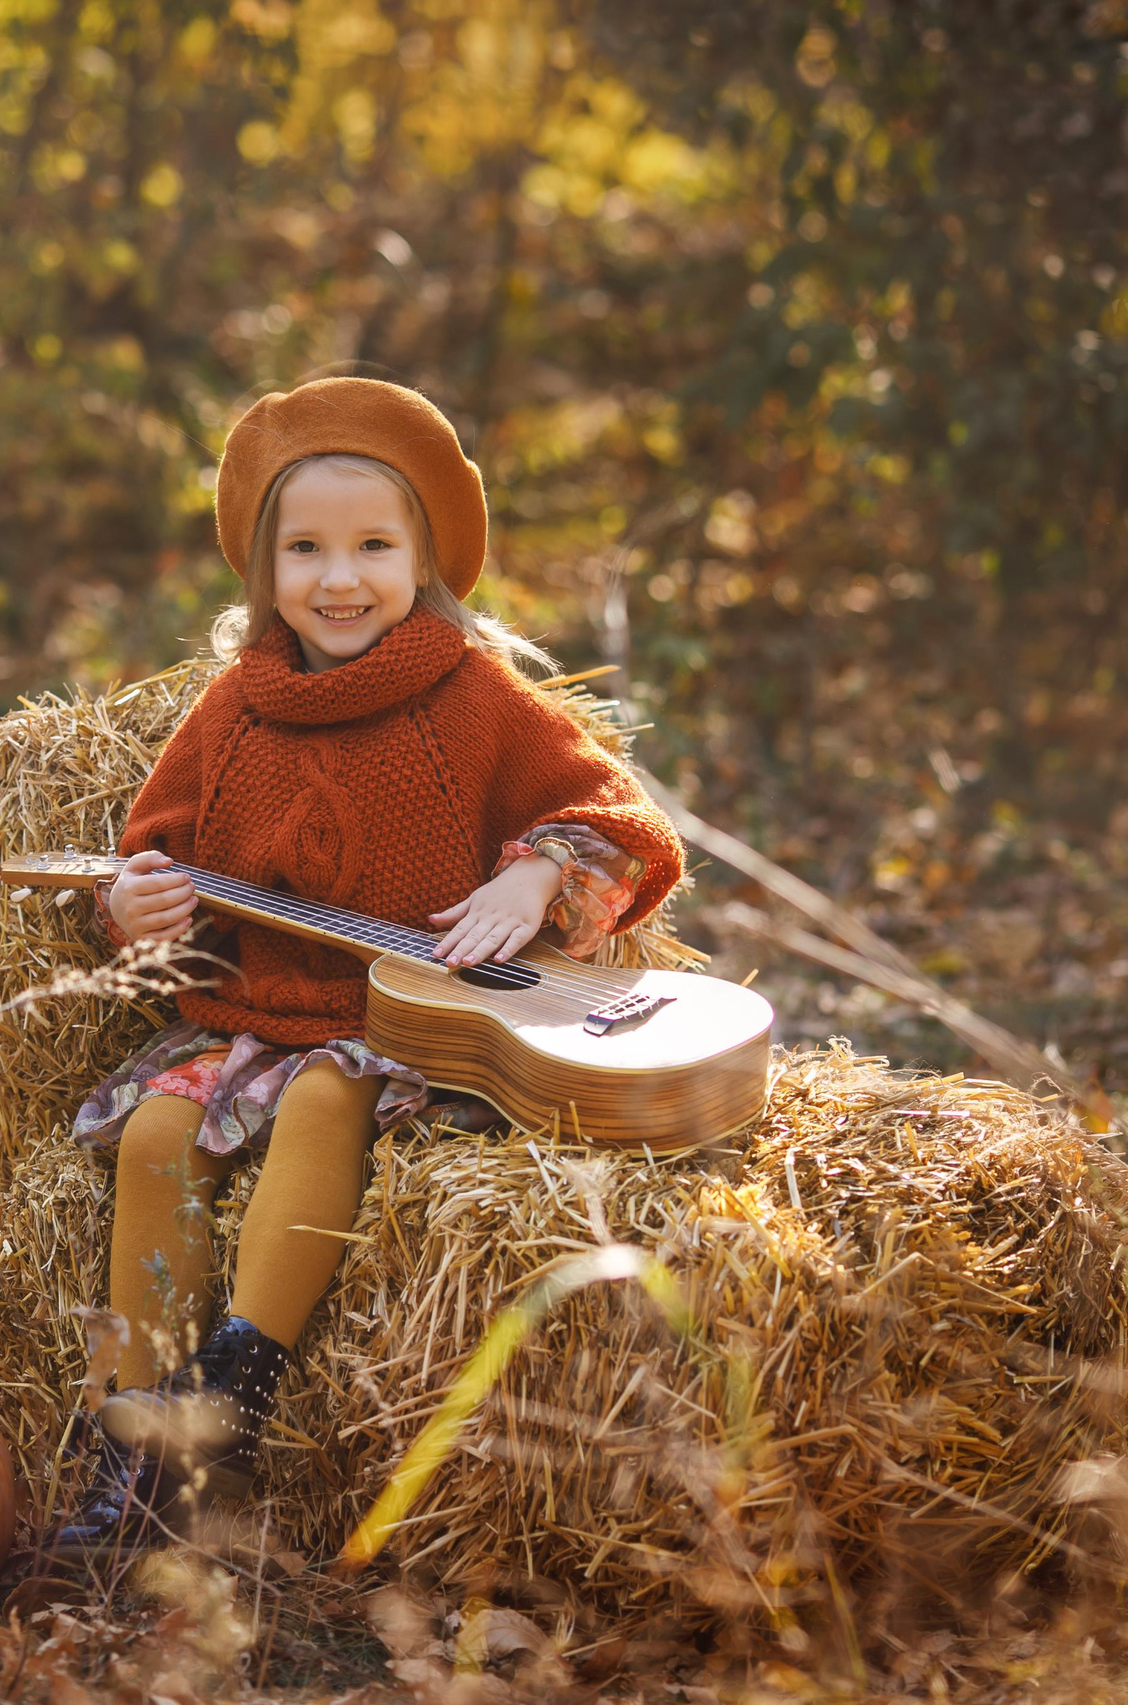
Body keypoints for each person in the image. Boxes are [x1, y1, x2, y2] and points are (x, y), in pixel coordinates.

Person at [50, 376, 685, 1557]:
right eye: (305, 549)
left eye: (372, 547)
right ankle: (128, 1450)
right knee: (151, 1136)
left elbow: (609, 811)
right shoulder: (234, 711)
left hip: (395, 1030)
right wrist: (134, 902)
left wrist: (533, 875)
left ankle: (233, 1385)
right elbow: (154, 854)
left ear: (424, 557)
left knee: (328, 1100)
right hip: (252, 1016)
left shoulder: (469, 690)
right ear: (262, 567)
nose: (338, 579)